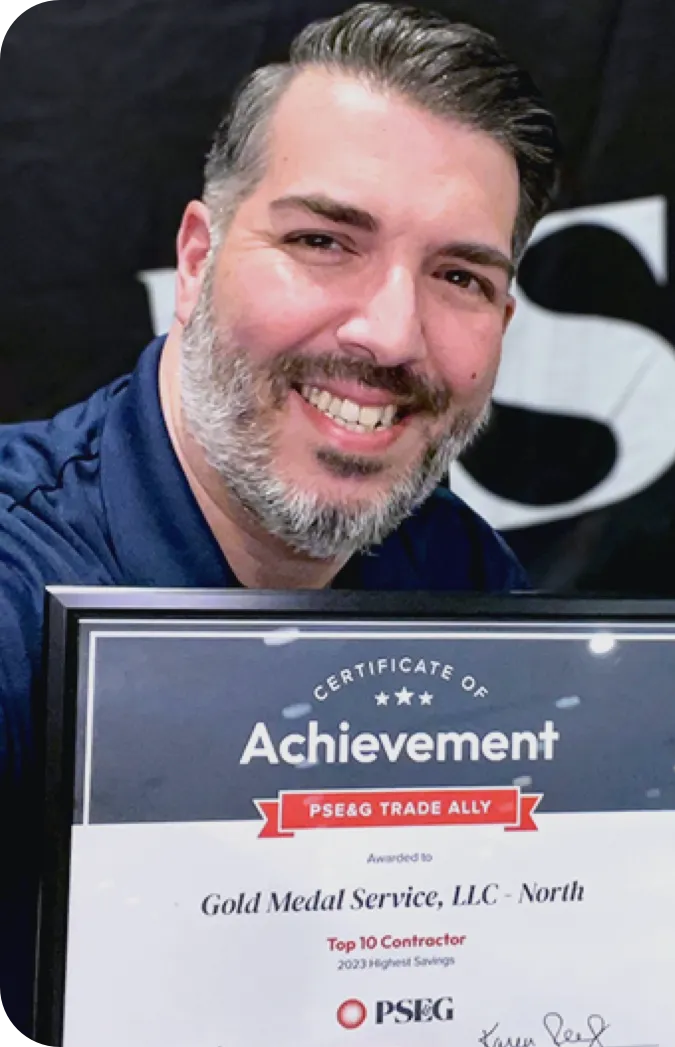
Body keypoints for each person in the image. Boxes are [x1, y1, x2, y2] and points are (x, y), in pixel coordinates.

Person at [0, 3, 560, 1037]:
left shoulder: (469, 584)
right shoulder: (11, 595)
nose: (392, 335)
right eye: (322, 241)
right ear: (199, 258)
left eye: (458, 277)